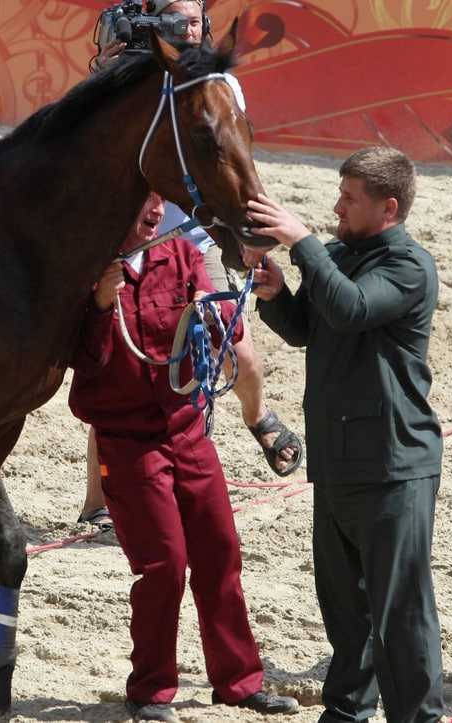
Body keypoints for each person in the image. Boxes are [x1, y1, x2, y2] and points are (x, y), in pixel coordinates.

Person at [69, 190, 299, 722]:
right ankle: (150, 690)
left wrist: (218, 314)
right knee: (164, 565)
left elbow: (226, 333)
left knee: (220, 553)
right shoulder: (83, 266)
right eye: (142, 204)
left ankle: (239, 683)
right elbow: (82, 363)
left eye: (157, 204)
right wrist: (101, 303)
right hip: (128, 439)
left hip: (188, 429)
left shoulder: (182, 254)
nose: (154, 212)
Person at [78, 0, 302, 531]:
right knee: (126, 379)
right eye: (173, 15)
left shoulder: (221, 83)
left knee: (241, 356)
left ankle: (257, 416)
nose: (187, 24)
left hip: (199, 237)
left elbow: (234, 160)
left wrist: (248, 234)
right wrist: (110, 73)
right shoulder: (135, 77)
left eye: (193, 13)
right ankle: (96, 503)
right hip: (139, 241)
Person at [247, 146, 444, 722]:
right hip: (335, 465)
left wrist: (302, 242)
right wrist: (277, 292)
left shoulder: (409, 266)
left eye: (349, 198)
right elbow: (310, 326)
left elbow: (353, 308)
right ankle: (346, 713)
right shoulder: (338, 255)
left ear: (388, 207)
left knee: (399, 616)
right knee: (344, 612)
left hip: (393, 467)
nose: (336, 207)